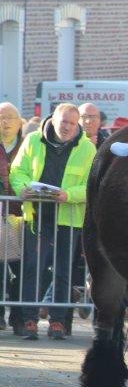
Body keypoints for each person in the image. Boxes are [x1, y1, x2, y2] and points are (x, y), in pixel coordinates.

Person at [9, 103, 96, 340]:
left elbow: (91, 184)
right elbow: (17, 171)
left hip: (68, 219)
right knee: (32, 269)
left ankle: (58, 322)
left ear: (77, 124)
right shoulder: (32, 141)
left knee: (63, 272)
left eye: (71, 123)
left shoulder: (87, 148)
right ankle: (29, 320)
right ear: (53, 120)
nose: (66, 127)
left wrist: (69, 195)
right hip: (37, 217)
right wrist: (22, 189)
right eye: (63, 122)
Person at [0, 101, 25, 333]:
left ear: (20, 123)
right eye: (1, 117)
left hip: (21, 216)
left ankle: (19, 316)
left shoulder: (26, 145)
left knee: (20, 268)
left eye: (10, 117)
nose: (5, 122)